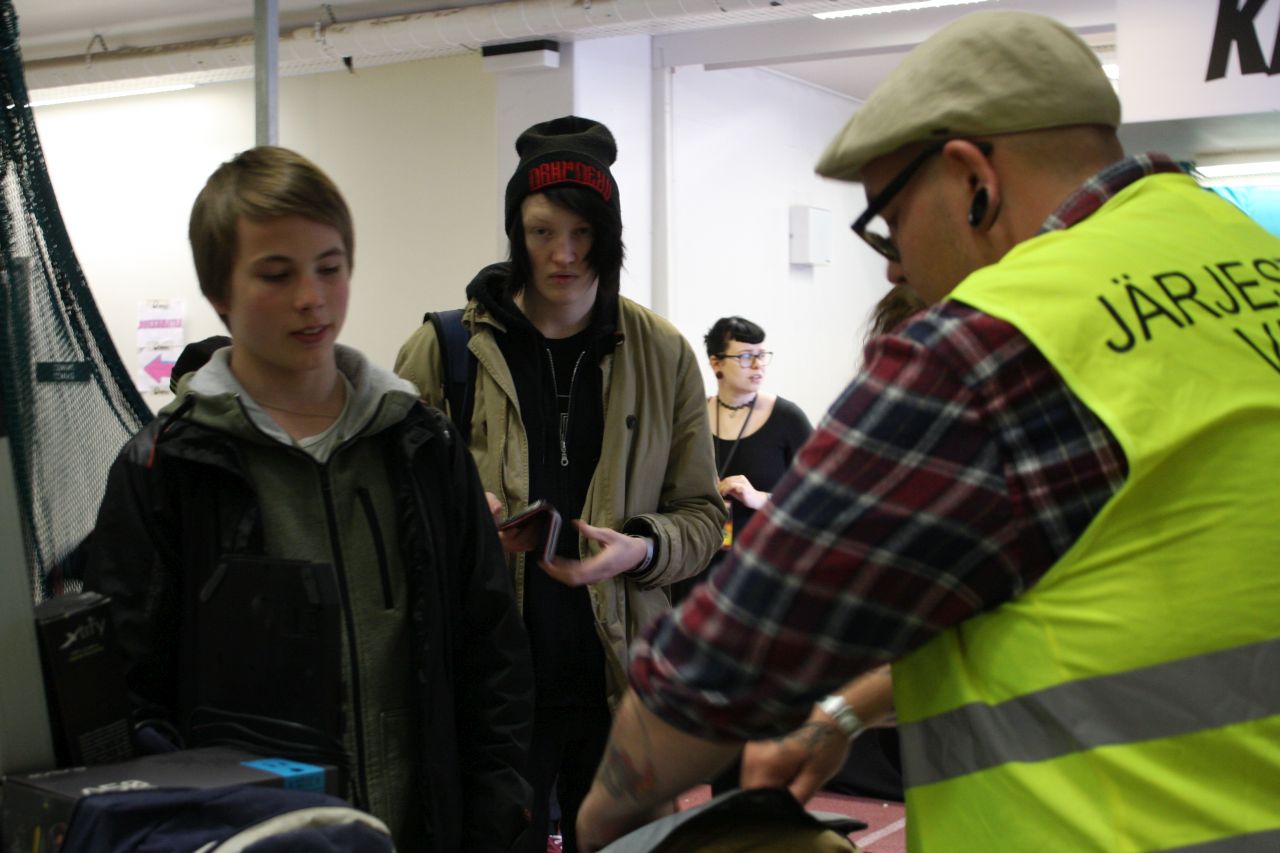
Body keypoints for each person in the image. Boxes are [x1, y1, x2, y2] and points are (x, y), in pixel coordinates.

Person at [577, 10, 1280, 851]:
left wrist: (603, 820)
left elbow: (723, 659)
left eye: (890, 217)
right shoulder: (1248, 257)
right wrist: (847, 710)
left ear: (973, 178)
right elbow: (1134, 608)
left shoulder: (992, 348)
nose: (892, 263)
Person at [85, 146, 534, 852]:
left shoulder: (421, 444)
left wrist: (496, 815)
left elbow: (491, 650)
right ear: (219, 290)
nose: (312, 298)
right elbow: (129, 693)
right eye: (277, 274)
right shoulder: (167, 467)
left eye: (330, 267)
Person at [394, 116, 724, 852]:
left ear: (611, 236)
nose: (564, 254)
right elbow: (387, 511)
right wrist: (457, 519)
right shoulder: (445, 349)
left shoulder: (663, 353)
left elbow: (703, 517)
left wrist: (641, 549)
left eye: (583, 233)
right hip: (489, 689)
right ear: (516, 230)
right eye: (542, 231)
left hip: (620, 686)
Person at [670, 316, 811, 608]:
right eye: (746, 356)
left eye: (762, 355)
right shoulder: (691, 418)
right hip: (698, 563)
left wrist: (759, 498)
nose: (758, 365)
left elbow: (815, 498)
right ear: (716, 363)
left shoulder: (788, 419)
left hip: (762, 568)